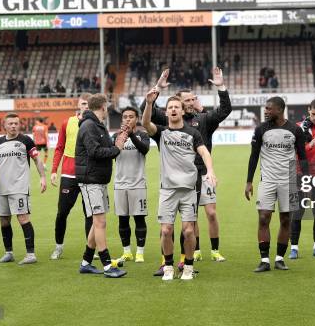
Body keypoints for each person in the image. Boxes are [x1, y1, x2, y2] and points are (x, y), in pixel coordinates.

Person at [146, 67, 231, 274]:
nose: (192, 102)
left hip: (199, 175)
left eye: (193, 99)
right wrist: (157, 88)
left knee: (191, 222)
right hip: (173, 177)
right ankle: (166, 261)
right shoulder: (168, 122)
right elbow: (146, 112)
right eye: (188, 99)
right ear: (180, 104)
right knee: (168, 225)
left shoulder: (203, 120)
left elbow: (224, 110)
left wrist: (221, 88)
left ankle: (187, 260)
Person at [245, 96, 308, 273]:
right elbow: (254, 156)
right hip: (268, 180)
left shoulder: (295, 130)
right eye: (265, 108)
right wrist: (249, 181)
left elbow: (303, 158)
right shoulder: (261, 129)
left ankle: (280, 259)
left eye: (269, 108)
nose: (265, 111)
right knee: (264, 217)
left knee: (286, 219)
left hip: (289, 181)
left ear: (280, 110)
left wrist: (307, 182)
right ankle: (264, 260)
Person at [77, 94, 127, 278]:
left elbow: (102, 147)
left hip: (98, 179)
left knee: (97, 223)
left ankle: (86, 262)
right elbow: (95, 151)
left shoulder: (96, 125)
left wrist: (117, 142)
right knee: (100, 222)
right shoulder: (89, 125)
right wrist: (117, 149)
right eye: (107, 106)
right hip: (91, 179)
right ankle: (107, 265)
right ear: (103, 106)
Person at [0, 113, 47, 265]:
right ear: (5, 126)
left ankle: (31, 254)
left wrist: (42, 177)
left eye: (16, 123)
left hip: (19, 187)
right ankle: (9, 252)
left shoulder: (25, 140)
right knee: (4, 221)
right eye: (10, 123)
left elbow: (37, 159)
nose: (13, 126)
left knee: (23, 218)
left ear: (19, 125)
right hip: (2, 188)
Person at [50, 93, 93, 260]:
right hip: (69, 174)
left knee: (90, 213)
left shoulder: (96, 123)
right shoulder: (67, 122)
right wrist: (54, 170)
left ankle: (91, 248)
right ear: (78, 105)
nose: (86, 107)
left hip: (89, 174)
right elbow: (59, 147)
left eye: (89, 104)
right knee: (62, 212)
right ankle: (58, 247)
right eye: (83, 104)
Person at [112, 107, 150, 264]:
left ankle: (140, 252)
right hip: (120, 184)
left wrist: (131, 134)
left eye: (131, 117)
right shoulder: (115, 136)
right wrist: (119, 141)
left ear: (137, 119)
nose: (127, 119)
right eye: (125, 117)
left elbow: (144, 149)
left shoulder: (143, 135)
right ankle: (126, 251)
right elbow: (111, 153)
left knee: (139, 219)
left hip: (138, 184)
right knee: (123, 220)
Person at [289, 98, 315, 259]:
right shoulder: (298, 127)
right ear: (308, 110)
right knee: (298, 211)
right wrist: (308, 145)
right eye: (313, 114)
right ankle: (294, 248)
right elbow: (293, 150)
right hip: (300, 173)